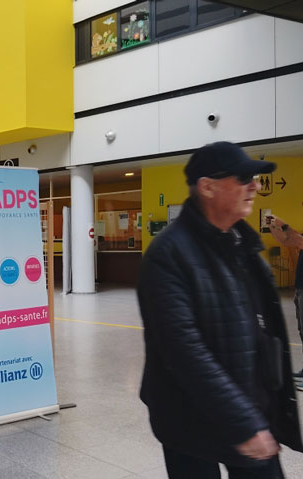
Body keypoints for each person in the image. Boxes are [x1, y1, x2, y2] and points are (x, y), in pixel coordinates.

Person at [137, 142, 303, 478]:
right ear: (208, 187)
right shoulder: (168, 254)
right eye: (243, 177)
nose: (255, 185)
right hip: (188, 417)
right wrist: (244, 423)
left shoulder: (243, 245)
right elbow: (184, 351)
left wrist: (271, 411)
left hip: (249, 409)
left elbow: (262, 330)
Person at [266, 215, 303, 386]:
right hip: (300, 288)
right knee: (302, 330)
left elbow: (298, 240)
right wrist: (273, 228)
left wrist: (284, 225)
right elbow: (287, 241)